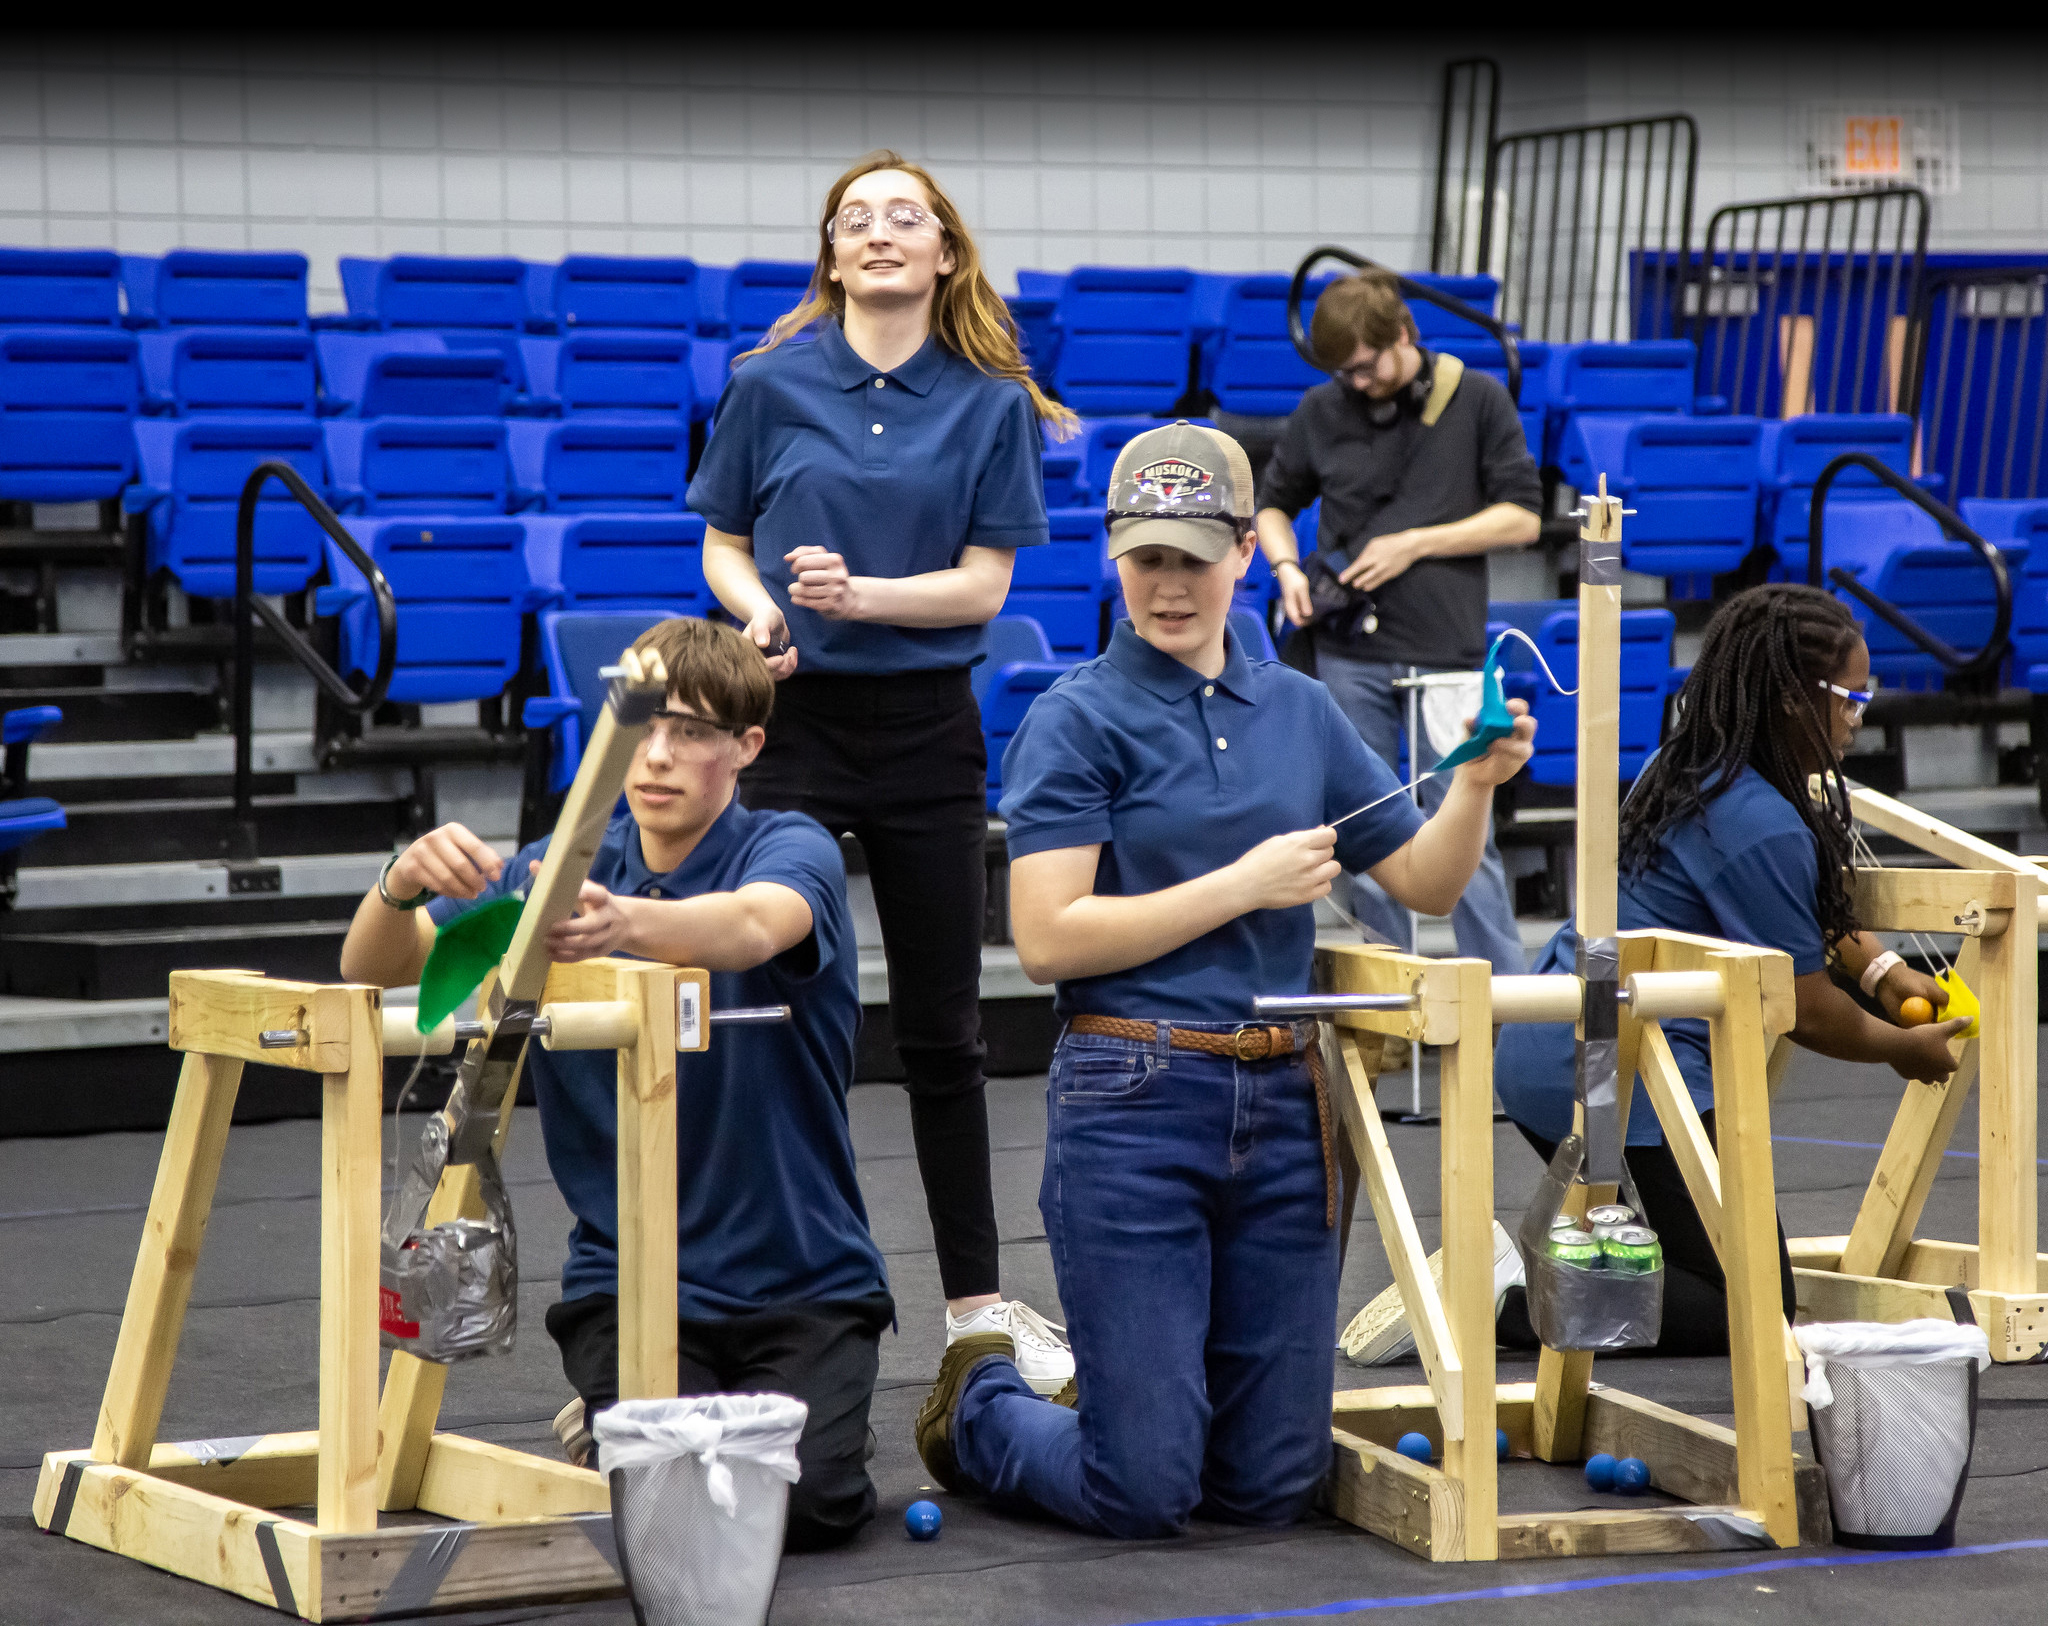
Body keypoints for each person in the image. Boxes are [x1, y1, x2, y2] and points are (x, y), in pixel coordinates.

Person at [912, 422, 1537, 1537]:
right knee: (1142, 1490)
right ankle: (984, 1397)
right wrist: (1242, 884)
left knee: (1264, 1491)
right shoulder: (1074, 719)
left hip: (1290, 1107)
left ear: (1244, 552)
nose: (1168, 585)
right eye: (1146, 558)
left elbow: (1429, 885)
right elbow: (1048, 941)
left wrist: (1477, 785)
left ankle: (1134, 1404)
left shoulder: (1298, 710)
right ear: (1111, 557)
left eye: (1193, 557)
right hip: (1129, 1093)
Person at [339, 617, 892, 1550]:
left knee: (808, 1509)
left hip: (803, 1276)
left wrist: (620, 923)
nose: (659, 756)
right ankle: (614, 1415)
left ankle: (673, 1426)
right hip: (626, 1279)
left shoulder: (792, 847)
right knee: (674, 1506)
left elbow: (755, 927)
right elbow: (377, 970)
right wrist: (397, 886)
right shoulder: (549, 874)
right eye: (641, 729)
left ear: (746, 747)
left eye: (692, 731)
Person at [687, 151, 1077, 1392]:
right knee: (768, 1020)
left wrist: (866, 597)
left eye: (903, 217)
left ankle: (975, 1302)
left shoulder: (991, 399)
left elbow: (984, 587)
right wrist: (755, 612)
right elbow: (721, 544)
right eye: (853, 220)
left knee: (944, 1035)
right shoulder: (768, 381)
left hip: (925, 734)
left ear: (945, 252)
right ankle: (749, 1282)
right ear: (833, 254)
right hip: (788, 726)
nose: (877, 233)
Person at [1492, 583, 1965, 1354]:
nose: (1857, 717)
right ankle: (1510, 1299)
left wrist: (1881, 970)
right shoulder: (1759, 821)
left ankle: (1560, 1269)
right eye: (1848, 698)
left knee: (1706, 1272)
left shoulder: (1691, 767)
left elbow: (1786, 908)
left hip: (1555, 1044)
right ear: (1787, 698)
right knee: (1745, 1306)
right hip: (1620, 1068)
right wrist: (1896, 1045)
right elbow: (1806, 1004)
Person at [1255, 264, 1543, 972]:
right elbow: (1270, 505)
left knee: (1463, 828)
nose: (1356, 382)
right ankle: (1390, 998)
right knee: (1364, 833)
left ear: (1405, 334)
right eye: (1342, 372)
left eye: (1366, 366)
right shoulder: (1321, 409)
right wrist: (1287, 568)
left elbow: (1524, 517)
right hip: (1349, 652)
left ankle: (1511, 1013)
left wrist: (1415, 543)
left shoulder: (1475, 397)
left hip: (1445, 650)